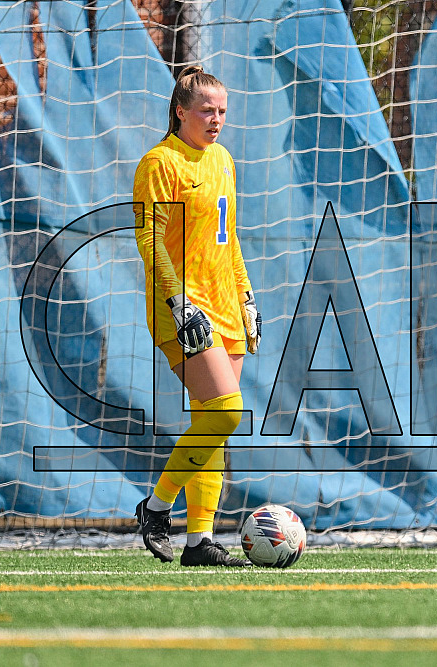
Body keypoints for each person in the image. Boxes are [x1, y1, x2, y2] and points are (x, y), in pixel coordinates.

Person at [132, 65, 262, 566]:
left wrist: (246, 295)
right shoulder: (158, 163)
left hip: (225, 303)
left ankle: (199, 542)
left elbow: (230, 240)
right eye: (207, 110)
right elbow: (150, 243)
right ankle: (157, 507)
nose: (216, 119)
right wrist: (177, 302)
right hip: (181, 307)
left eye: (222, 111)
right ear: (180, 110)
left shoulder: (224, 159)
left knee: (214, 422)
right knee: (226, 411)